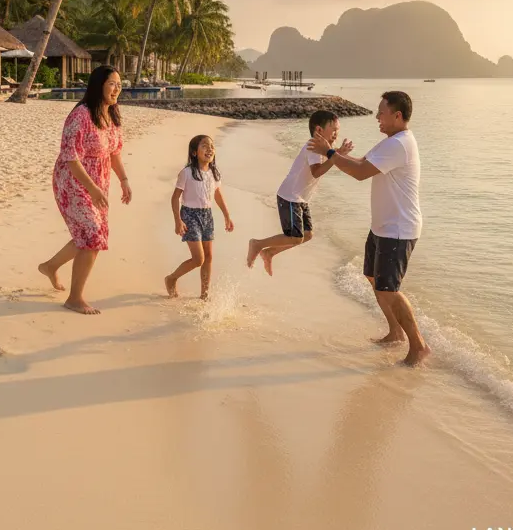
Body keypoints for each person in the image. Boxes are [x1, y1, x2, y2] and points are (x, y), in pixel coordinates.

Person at [308, 90, 430, 366]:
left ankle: (419, 346)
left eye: (381, 112)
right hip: (382, 226)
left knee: (389, 288)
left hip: (399, 228)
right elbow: (360, 164)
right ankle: (395, 331)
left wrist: (328, 152)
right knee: (374, 278)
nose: (377, 117)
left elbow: (361, 174)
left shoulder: (399, 144)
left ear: (397, 116)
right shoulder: (390, 141)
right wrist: (334, 153)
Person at [39, 65, 131, 314]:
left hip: (98, 183)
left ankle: (50, 267)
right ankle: (75, 298)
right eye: (112, 83)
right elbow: (70, 157)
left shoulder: (112, 116)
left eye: (119, 85)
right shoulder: (80, 115)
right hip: (72, 180)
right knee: (92, 235)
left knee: (92, 236)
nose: (117, 89)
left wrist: (123, 180)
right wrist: (91, 189)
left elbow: (114, 153)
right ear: (99, 85)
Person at [246, 109, 353, 276]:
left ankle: (269, 252)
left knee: (308, 235)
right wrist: (335, 156)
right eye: (334, 130)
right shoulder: (313, 146)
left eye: (338, 131)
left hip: (301, 199)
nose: (336, 134)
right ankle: (258, 244)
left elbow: (331, 159)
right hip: (290, 197)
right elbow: (316, 171)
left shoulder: (326, 148)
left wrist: (338, 153)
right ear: (319, 130)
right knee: (296, 237)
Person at [165, 135, 234, 300]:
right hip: (189, 215)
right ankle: (172, 278)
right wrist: (178, 221)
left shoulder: (214, 173)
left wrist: (227, 215)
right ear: (195, 152)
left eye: (211, 146)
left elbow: (217, 194)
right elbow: (175, 197)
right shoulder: (187, 172)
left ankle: (204, 294)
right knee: (198, 259)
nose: (209, 149)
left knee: (209, 257)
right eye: (204, 146)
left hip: (207, 215)